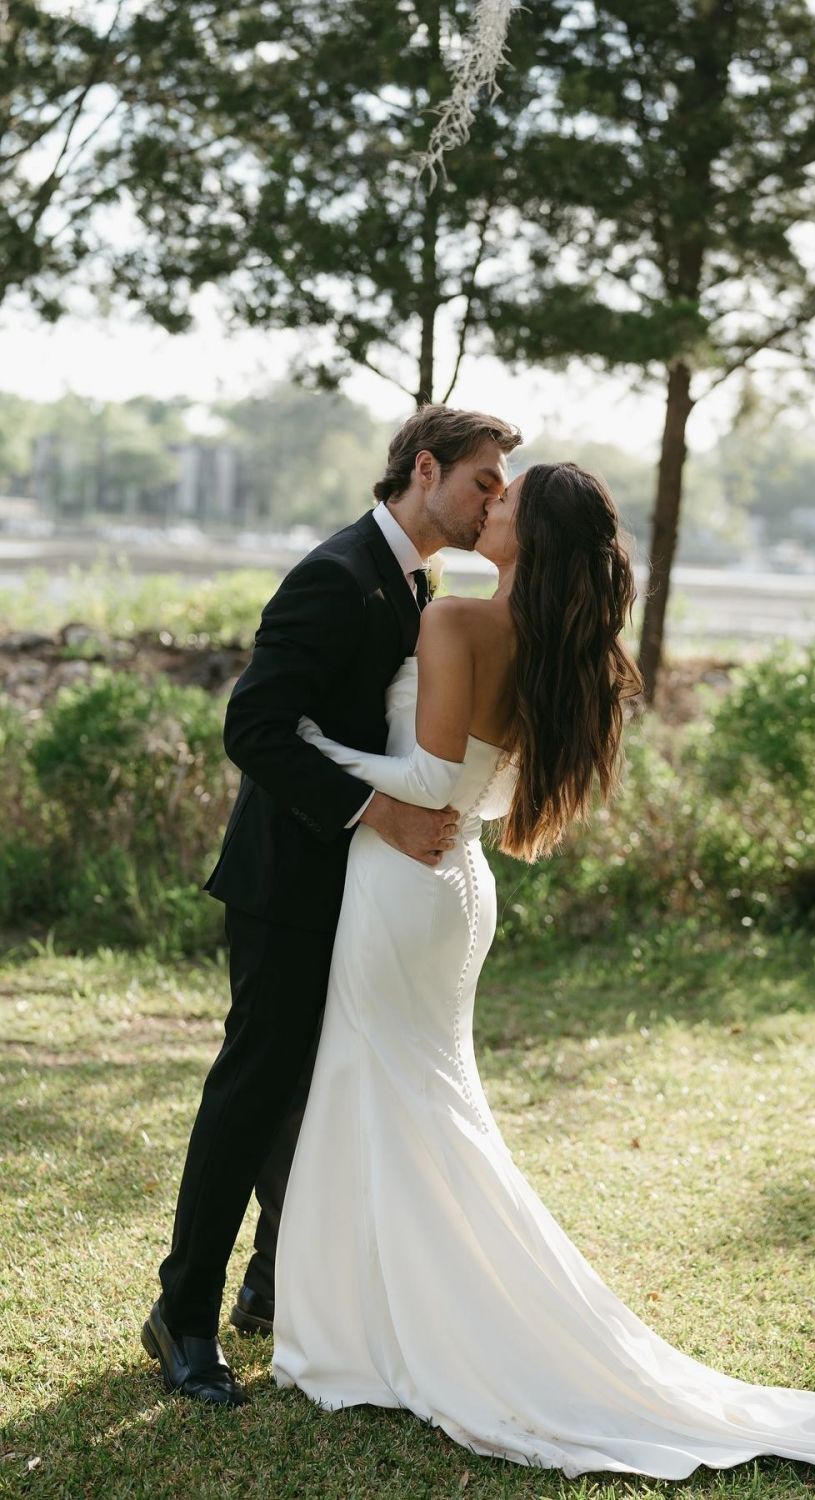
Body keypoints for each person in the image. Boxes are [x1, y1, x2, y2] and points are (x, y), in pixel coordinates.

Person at [271, 461, 815, 1481]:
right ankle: (369, 1318)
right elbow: (483, 802)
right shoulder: (567, 650)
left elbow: (434, 785)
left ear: (536, 537)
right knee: (412, 1103)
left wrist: (309, 745)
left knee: (385, 1094)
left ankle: (370, 1334)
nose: (491, 507)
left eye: (507, 502)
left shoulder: (459, 625)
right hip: (460, 887)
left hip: (407, 879)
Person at [141, 405, 522, 1406]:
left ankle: (276, 1278)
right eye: (484, 480)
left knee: (315, 1088)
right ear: (425, 469)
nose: (493, 500)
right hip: (286, 882)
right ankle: (182, 1317)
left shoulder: (418, 584)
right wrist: (377, 811)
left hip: (360, 888)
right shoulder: (336, 573)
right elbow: (253, 729)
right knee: (254, 1089)